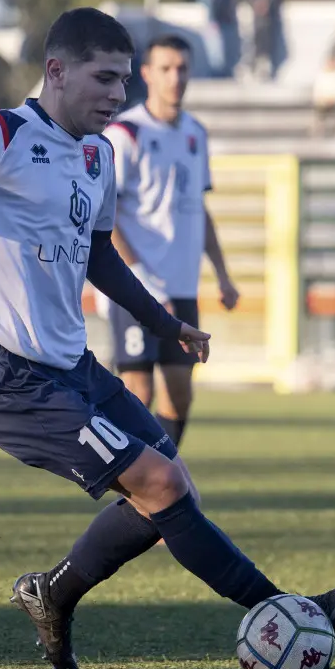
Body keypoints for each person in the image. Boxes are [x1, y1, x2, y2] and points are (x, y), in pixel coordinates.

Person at [0, 7, 335, 669]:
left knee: (174, 494)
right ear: (57, 71)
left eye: (125, 82)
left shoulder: (98, 152)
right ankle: (285, 608)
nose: (119, 96)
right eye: (106, 78)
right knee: (161, 481)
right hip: (10, 376)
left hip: (75, 367)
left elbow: (100, 257)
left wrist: (167, 321)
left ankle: (51, 593)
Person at [102, 34, 239, 494]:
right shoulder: (125, 133)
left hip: (181, 287)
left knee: (180, 395)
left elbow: (199, 210)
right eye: (166, 68)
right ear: (146, 74)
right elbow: (109, 214)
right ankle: (148, 500)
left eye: (183, 68)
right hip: (136, 287)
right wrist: (135, 274)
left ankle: (153, 490)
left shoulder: (195, 134)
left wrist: (222, 274)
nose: (176, 77)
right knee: (138, 393)